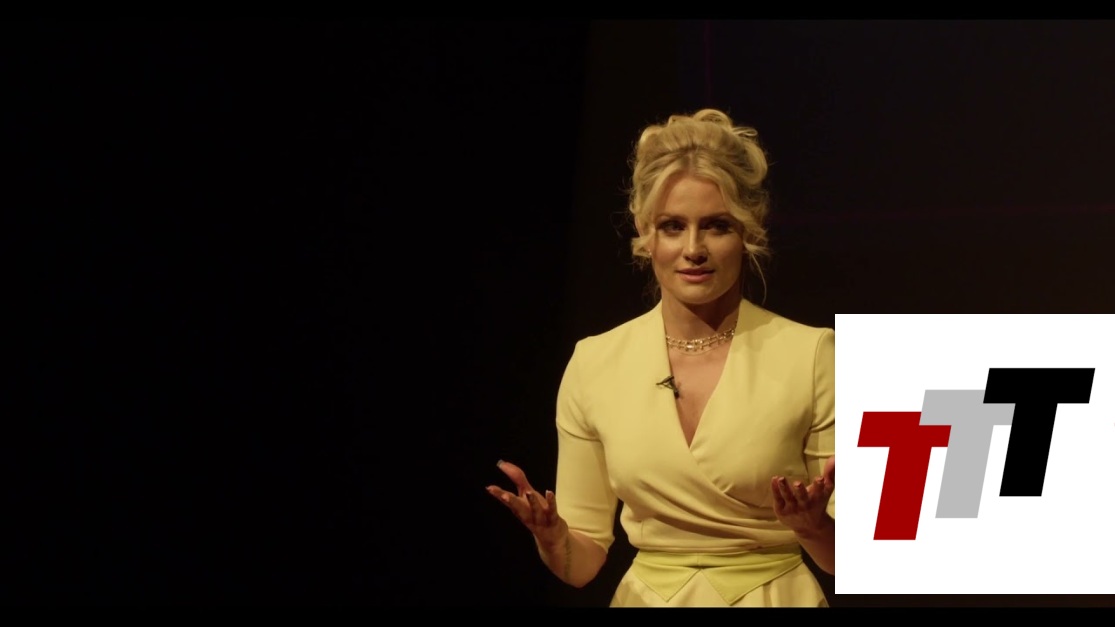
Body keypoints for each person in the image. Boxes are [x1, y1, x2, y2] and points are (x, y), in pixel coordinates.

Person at [486, 108, 835, 607]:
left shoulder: (812, 354)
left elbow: (849, 557)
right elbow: (582, 565)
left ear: (748, 231)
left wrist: (814, 525)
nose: (694, 249)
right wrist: (554, 538)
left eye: (716, 226)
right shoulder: (595, 362)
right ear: (645, 232)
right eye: (673, 226)